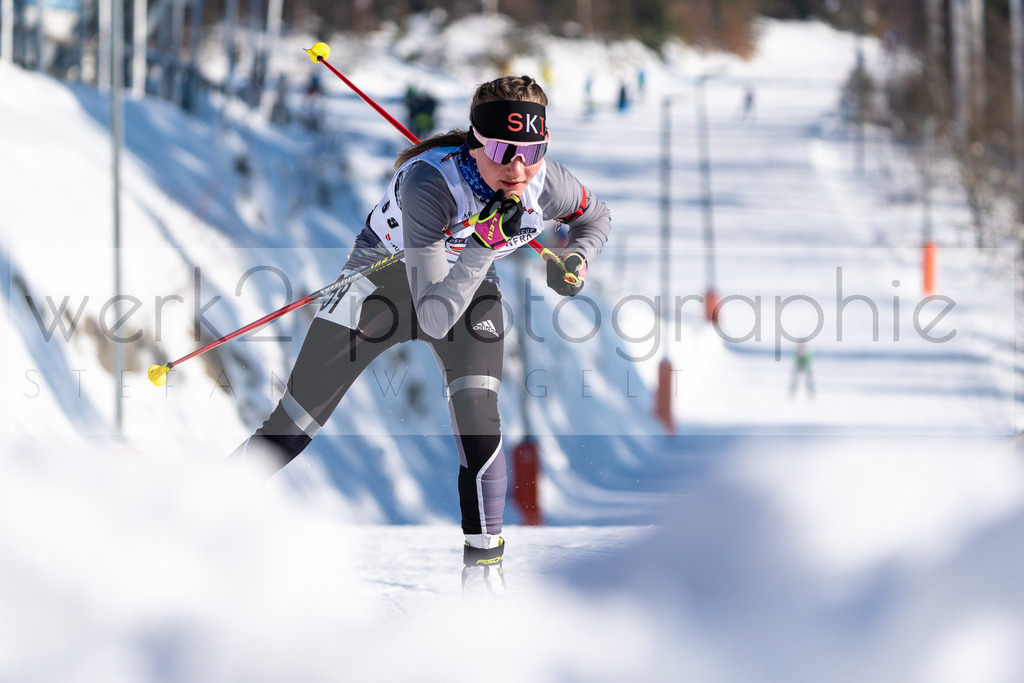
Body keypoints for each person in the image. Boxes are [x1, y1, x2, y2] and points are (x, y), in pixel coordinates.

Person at [229, 75, 611, 594]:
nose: (518, 169)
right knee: (293, 426)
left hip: (466, 285)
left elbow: (596, 216)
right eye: (503, 151)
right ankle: (203, 517)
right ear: (477, 144)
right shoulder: (431, 185)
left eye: (533, 151)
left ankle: (483, 574)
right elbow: (432, 315)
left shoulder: (547, 182)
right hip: (379, 282)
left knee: (480, 420)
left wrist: (575, 258)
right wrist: (483, 244)